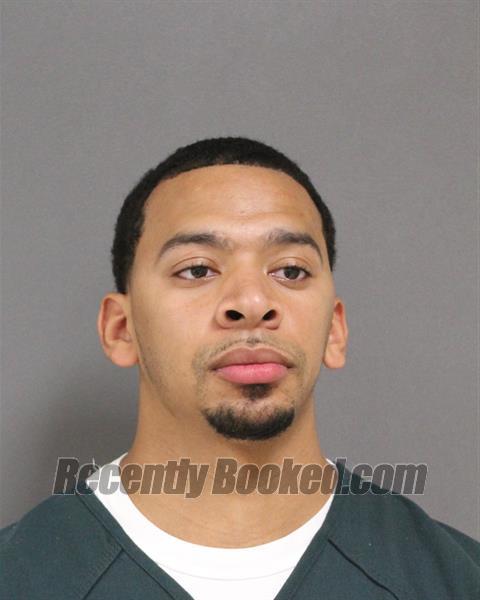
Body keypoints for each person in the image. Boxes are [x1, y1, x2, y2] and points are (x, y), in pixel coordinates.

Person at [1, 137, 478, 599]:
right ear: (121, 329)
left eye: (290, 270)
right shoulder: (20, 577)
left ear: (334, 330)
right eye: (197, 269)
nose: (252, 303)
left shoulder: (455, 580)